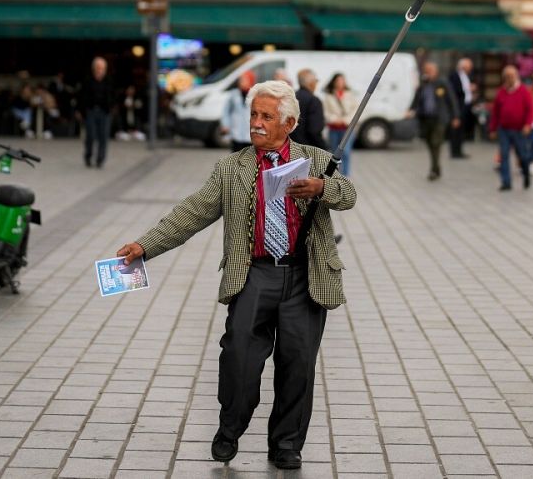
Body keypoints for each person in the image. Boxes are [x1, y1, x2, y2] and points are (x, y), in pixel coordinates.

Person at [114, 80, 356, 469]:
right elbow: (192, 212)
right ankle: (230, 429)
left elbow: (348, 194)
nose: (256, 124)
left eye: (266, 116)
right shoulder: (232, 167)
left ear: (289, 122)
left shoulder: (316, 159)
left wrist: (322, 187)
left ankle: (287, 444)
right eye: (254, 115)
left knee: (298, 366)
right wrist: (145, 245)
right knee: (239, 360)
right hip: (254, 275)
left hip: (303, 279)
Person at [488, 65, 533, 191]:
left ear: (516, 76)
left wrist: (528, 124)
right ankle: (506, 182)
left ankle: (526, 173)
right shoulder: (501, 92)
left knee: (523, 155)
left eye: (512, 76)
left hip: (519, 129)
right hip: (504, 129)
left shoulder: (524, 91)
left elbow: (530, 110)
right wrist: (492, 129)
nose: (509, 78)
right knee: (504, 155)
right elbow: (495, 113)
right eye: (507, 76)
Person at [408, 61, 457, 181]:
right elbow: (417, 98)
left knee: (436, 142)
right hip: (426, 118)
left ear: (435, 71)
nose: (427, 72)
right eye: (426, 70)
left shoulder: (442, 83)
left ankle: (434, 170)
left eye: (430, 70)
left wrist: (456, 116)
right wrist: (411, 109)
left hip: (439, 118)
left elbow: (452, 99)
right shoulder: (423, 84)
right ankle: (436, 167)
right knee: (430, 143)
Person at [78, 57, 114, 169]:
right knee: (91, 135)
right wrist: (81, 111)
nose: (100, 70)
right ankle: (88, 156)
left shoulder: (109, 81)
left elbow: (113, 96)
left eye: (103, 68)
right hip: (91, 111)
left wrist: (110, 107)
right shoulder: (88, 80)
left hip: (104, 111)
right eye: (98, 68)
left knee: (103, 136)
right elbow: (81, 96)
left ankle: (100, 159)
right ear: (94, 68)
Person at [320, 73, 357, 177]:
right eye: (338, 80)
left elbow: (355, 110)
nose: (340, 83)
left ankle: (346, 175)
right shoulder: (329, 95)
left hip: (347, 128)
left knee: (346, 152)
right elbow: (326, 111)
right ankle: (336, 174)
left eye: (342, 80)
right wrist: (334, 119)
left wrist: (345, 120)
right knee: (334, 153)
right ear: (334, 82)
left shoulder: (350, 94)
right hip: (334, 128)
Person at [221, 71, 257, 153]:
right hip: (236, 132)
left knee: (249, 159)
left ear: (250, 80)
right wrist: (225, 125)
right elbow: (226, 111)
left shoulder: (255, 95)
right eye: (241, 80)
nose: (241, 82)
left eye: (244, 80)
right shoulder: (233, 94)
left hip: (250, 134)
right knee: (236, 157)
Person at [291, 70, 328, 150]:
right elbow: (314, 131)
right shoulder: (314, 100)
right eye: (316, 81)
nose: (316, 83)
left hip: (291, 148)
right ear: (311, 83)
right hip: (309, 149)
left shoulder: (292, 97)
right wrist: (324, 148)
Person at [446, 57, 475, 158]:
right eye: (468, 67)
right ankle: (455, 152)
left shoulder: (467, 76)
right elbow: (453, 92)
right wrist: (467, 88)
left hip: (466, 106)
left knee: (462, 130)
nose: (470, 69)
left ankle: (459, 150)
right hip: (458, 106)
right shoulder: (454, 76)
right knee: (456, 129)